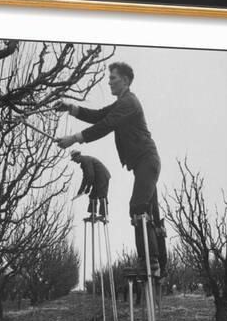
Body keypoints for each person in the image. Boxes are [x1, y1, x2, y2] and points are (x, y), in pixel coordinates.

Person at [55, 61, 162, 276]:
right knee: (143, 211)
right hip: (143, 164)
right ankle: (152, 262)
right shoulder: (121, 102)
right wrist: (71, 109)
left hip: (147, 162)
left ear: (125, 80)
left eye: (112, 78)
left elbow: (105, 126)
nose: (109, 81)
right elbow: (98, 116)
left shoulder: (129, 103)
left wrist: (74, 139)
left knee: (138, 208)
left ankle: (150, 263)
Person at [70, 150, 110, 218]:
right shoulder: (83, 163)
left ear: (78, 156)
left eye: (74, 159)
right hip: (96, 179)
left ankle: (103, 215)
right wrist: (81, 190)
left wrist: (88, 188)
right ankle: (93, 214)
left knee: (101, 195)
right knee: (92, 196)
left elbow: (90, 175)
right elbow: (85, 178)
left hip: (102, 177)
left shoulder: (86, 161)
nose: (74, 161)